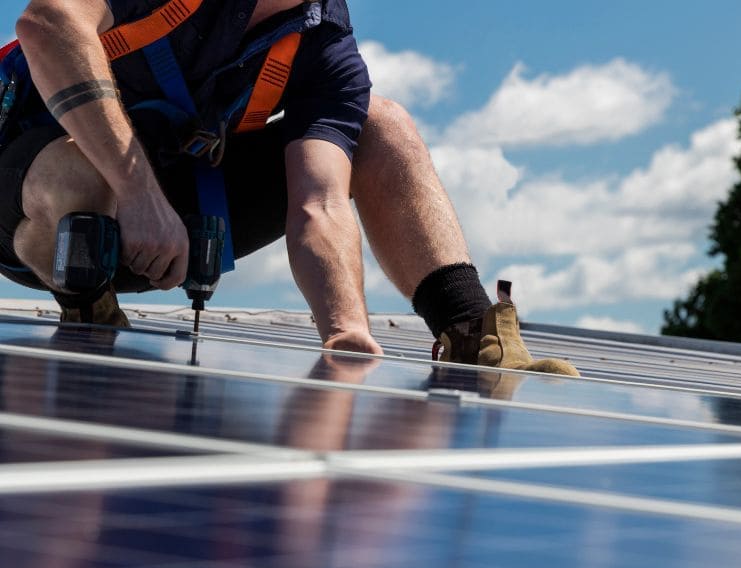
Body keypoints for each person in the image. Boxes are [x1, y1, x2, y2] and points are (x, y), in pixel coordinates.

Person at [0, 0, 579, 375]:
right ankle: (87, 314)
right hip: (35, 200)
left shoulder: (324, 44)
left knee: (383, 126)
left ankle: (472, 333)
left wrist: (346, 332)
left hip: (167, 233)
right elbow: (46, 24)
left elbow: (319, 204)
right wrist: (139, 194)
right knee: (81, 175)